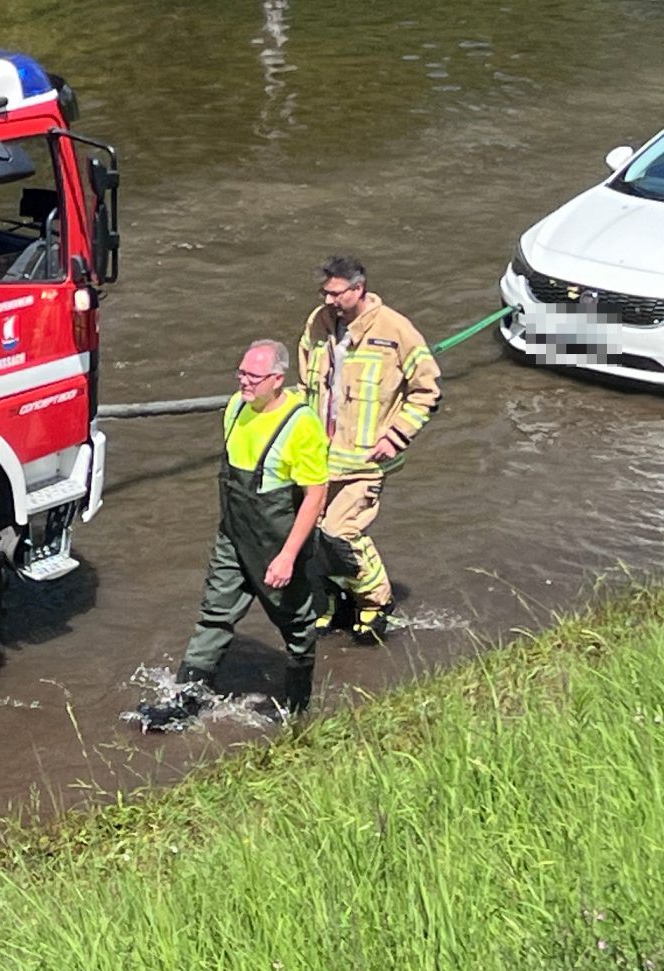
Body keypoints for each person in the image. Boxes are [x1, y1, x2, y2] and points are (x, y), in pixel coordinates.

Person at [137, 338, 329, 731]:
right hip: (234, 534)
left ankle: (297, 709)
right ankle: (183, 705)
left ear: (277, 379)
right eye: (240, 372)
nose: (243, 382)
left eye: (253, 376)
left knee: (295, 623)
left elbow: (315, 497)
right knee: (214, 614)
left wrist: (288, 556)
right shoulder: (235, 407)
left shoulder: (300, 424)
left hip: (278, 541)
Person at [299, 256, 441, 642]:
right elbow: (306, 382)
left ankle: (376, 602)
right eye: (323, 292)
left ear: (358, 289)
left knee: (339, 533)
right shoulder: (318, 323)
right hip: (316, 459)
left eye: (335, 293)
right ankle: (333, 601)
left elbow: (428, 390)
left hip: (364, 461)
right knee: (309, 535)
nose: (327, 300)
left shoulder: (396, 330)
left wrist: (395, 436)